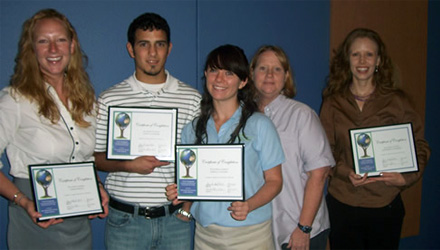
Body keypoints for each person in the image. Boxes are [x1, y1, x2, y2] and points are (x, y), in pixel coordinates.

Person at [0, 8, 109, 249]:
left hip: (78, 222)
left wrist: (97, 188)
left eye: (60, 40)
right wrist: (24, 201)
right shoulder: (15, 100)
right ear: (32, 50)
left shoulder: (86, 100)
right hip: (35, 217)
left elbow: (83, 157)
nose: (53, 49)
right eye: (43, 41)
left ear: (72, 46)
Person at [94, 12, 201, 250]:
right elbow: (94, 158)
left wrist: (187, 208)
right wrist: (127, 165)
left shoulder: (192, 99)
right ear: (131, 49)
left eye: (159, 44)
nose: (152, 54)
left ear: (169, 48)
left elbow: (198, 160)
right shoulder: (110, 99)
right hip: (125, 220)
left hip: (175, 221)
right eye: (144, 44)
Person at [320, 28, 431, 249]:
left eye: (369, 54)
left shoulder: (398, 102)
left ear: (378, 60)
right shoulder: (333, 103)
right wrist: (345, 172)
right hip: (342, 203)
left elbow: (420, 146)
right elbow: (324, 151)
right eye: (355, 54)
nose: (362, 61)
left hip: (384, 204)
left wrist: (406, 177)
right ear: (347, 60)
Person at [166, 44, 284, 250]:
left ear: (243, 81)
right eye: (213, 71)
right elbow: (191, 183)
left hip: (251, 234)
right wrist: (180, 192)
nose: (219, 80)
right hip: (205, 235)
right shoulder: (192, 129)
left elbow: (275, 181)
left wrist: (250, 205)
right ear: (206, 75)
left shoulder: (260, 125)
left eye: (229, 73)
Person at [249, 45, 335, 250]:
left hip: (298, 230)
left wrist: (304, 228)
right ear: (252, 74)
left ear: (286, 75)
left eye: (277, 69)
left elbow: (320, 173)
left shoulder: (301, 115)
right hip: (262, 230)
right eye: (262, 68)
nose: (269, 74)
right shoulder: (245, 117)